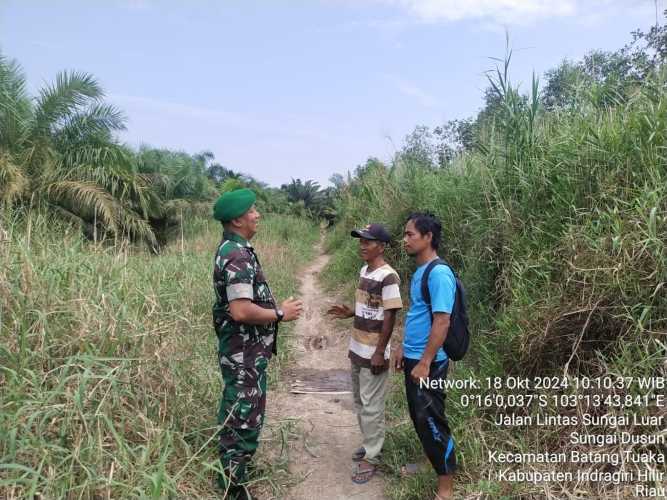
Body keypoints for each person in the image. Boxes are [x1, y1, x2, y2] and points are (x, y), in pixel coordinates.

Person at [212, 188, 303, 500]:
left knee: (244, 413)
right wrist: (280, 314)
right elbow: (240, 310)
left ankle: (237, 475)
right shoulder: (236, 254)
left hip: (247, 353)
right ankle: (232, 488)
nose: (257, 215)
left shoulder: (237, 249)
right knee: (242, 417)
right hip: (243, 356)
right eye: (252, 211)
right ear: (238, 219)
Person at [327, 223, 403, 484]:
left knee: (372, 406)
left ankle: (372, 458)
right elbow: (372, 309)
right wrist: (351, 312)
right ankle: (371, 444)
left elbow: (390, 315)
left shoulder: (388, 276)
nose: (362, 245)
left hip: (373, 352)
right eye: (360, 240)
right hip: (357, 348)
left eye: (367, 241)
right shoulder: (364, 270)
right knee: (360, 402)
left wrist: (380, 352)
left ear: (381, 246)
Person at [394, 212, 456, 500]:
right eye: (404, 234)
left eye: (410, 234)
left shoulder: (439, 273)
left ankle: (445, 488)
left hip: (428, 362)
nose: (404, 240)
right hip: (414, 356)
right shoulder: (420, 271)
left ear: (428, 237)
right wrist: (401, 347)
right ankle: (431, 463)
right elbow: (417, 314)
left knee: (432, 420)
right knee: (419, 418)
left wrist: (425, 361)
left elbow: (442, 321)